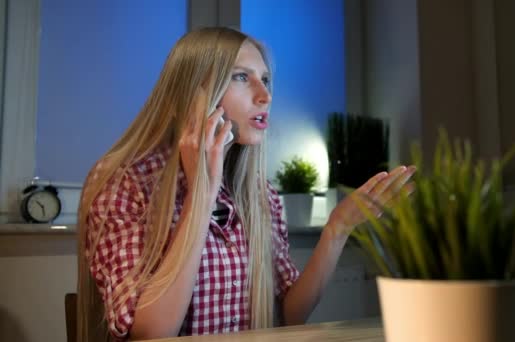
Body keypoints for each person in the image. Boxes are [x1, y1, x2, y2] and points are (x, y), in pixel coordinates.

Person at [76, 27, 415, 342]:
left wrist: (337, 229)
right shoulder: (126, 183)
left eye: (266, 80)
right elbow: (151, 333)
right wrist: (201, 196)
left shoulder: (260, 194)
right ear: (192, 93)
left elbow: (289, 315)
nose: (265, 95)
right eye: (241, 77)